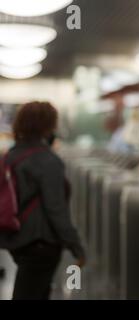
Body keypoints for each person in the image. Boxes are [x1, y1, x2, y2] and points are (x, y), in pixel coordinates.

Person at [0, 101, 85, 300]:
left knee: (32, 290)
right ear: (48, 126)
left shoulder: (12, 156)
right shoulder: (48, 160)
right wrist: (75, 245)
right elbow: (56, 209)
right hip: (41, 242)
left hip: (18, 239)